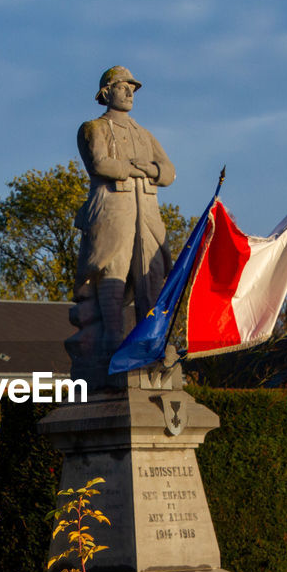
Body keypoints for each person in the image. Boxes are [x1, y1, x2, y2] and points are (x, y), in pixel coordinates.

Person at [67, 66, 175, 388]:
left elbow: (169, 172)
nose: (129, 92)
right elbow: (100, 163)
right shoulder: (93, 128)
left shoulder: (144, 134)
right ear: (106, 93)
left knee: (152, 276)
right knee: (110, 274)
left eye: (132, 88)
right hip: (113, 210)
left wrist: (147, 169)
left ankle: (151, 346)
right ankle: (112, 347)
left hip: (148, 212)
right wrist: (139, 169)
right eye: (122, 86)